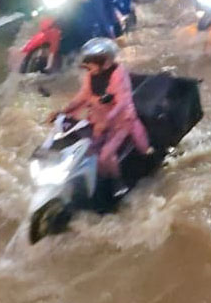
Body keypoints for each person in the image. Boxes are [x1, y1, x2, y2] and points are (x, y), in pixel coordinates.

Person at [49, 38, 152, 207]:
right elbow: (83, 96)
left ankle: (118, 183)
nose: (87, 68)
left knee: (105, 155)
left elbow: (123, 102)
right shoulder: (91, 76)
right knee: (84, 149)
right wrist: (63, 111)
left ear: (105, 63)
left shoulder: (119, 75)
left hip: (121, 121)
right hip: (97, 119)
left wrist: (108, 120)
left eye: (90, 64)